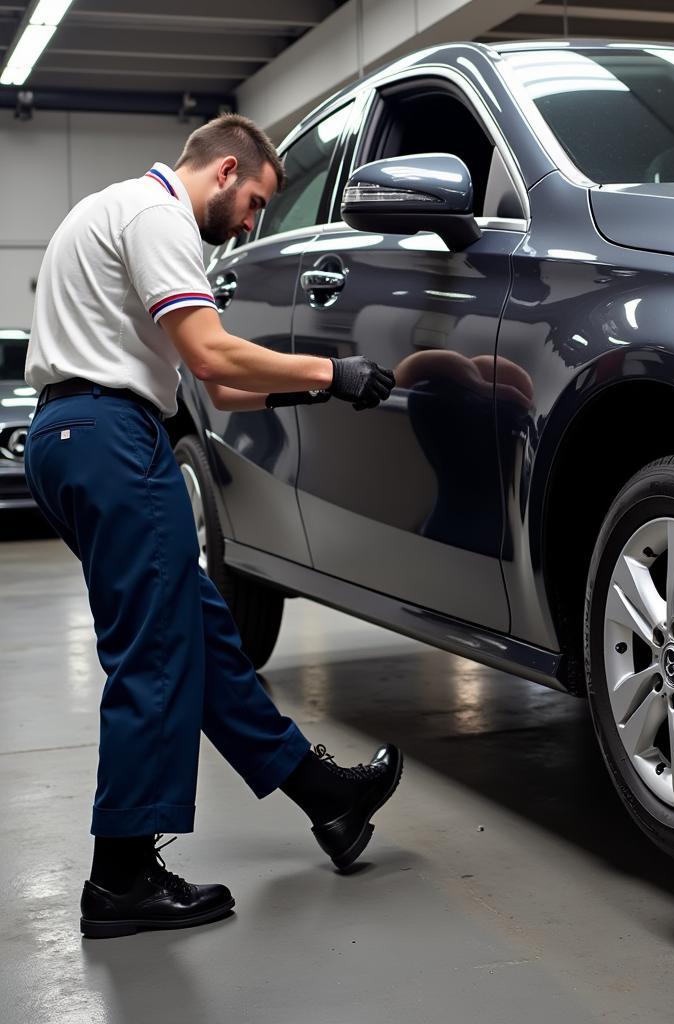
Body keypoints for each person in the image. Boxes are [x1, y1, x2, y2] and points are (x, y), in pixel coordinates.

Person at [23, 113, 401, 940]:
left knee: (198, 636)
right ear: (225, 171)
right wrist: (334, 370)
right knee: (155, 650)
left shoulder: (108, 212)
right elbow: (211, 357)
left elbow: (225, 392)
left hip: (73, 439)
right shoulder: (157, 215)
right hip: (110, 439)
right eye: (258, 202)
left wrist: (318, 390)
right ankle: (120, 877)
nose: (254, 223)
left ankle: (327, 799)